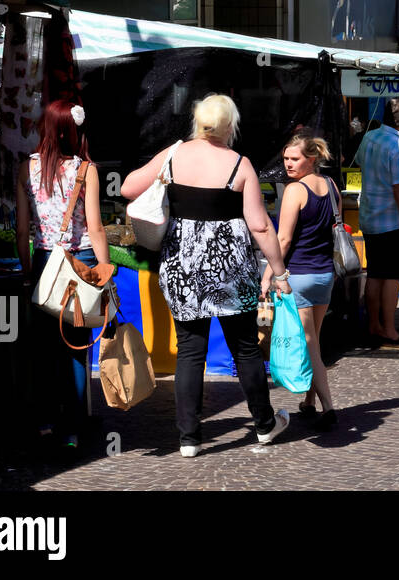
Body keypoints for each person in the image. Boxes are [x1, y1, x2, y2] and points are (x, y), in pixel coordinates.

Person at [121, 94, 291, 457]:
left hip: (181, 265)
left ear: (198, 121)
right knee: (245, 348)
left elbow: (127, 188)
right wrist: (279, 270)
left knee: (189, 352)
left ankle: (189, 439)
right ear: (231, 125)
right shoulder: (240, 164)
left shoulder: (175, 152)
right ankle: (264, 425)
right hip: (231, 268)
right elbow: (260, 226)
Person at [16, 100, 112, 450]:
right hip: (79, 263)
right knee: (75, 347)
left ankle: (43, 423)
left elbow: (22, 230)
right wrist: (104, 275)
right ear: (73, 130)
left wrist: (28, 273)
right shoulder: (86, 170)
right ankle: (72, 429)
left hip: (44, 263)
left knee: (43, 348)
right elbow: (96, 228)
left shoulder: (26, 169)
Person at [275, 135, 338, 431]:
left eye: (295, 159)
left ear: (311, 159)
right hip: (325, 275)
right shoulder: (331, 186)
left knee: (310, 344)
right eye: (286, 158)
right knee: (317, 338)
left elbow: (284, 239)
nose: (288, 164)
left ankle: (328, 407)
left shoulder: (294, 191)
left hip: (299, 276)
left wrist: (270, 274)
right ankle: (309, 402)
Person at [357, 99, 399, 351]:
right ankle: (389, 329)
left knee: (375, 274)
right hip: (393, 221)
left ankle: (374, 325)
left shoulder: (369, 138)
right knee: (392, 278)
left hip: (371, 217)